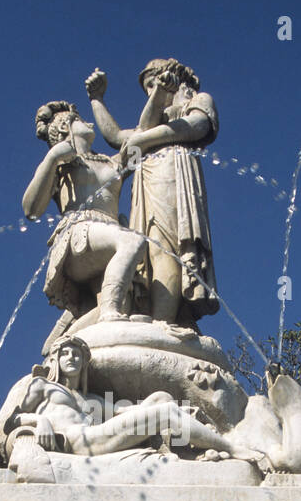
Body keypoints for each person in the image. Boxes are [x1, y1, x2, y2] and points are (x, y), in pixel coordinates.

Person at [85, 59, 219, 325]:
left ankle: (164, 321)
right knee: (149, 248)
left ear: (174, 76)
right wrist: (97, 99)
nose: (151, 91)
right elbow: (117, 137)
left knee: (169, 244)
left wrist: (143, 140)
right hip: (148, 179)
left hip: (173, 170)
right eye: (148, 87)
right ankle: (162, 317)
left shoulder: (198, 100)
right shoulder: (154, 117)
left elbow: (198, 126)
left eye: (154, 83)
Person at [11, 335, 265, 464]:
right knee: (165, 413)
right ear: (55, 359)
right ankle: (231, 447)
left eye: (76, 354)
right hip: (75, 442)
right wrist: (38, 422)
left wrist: (155, 401)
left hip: (96, 436)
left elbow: (126, 413)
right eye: (65, 353)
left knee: (160, 399)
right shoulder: (42, 386)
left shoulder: (91, 399)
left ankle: (192, 443)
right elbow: (12, 420)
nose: (71, 358)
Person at [22, 101, 147, 326]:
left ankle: (62, 342)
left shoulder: (113, 162)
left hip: (108, 235)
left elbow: (141, 139)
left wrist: (97, 98)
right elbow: (31, 210)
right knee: (133, 242)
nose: (89, 122)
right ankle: (111, 312)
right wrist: (52, 158)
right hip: (80, 234)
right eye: (80, 120)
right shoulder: (61, 163)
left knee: (124, 304)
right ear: (63, 127)